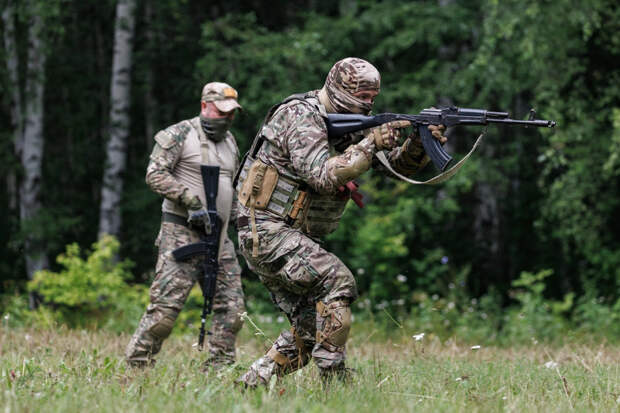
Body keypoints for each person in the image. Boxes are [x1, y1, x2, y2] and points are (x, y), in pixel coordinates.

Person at [234, 57, 447, 387]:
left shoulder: (353, 121)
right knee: (339, 282)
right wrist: (370, 142)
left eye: (372, 98)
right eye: (362, 96)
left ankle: (249, 386)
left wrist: (418, 143)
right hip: (265, 228)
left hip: (290, 233)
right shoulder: (300, 115)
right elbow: (322, 175)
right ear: (340, 88)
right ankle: (334, 381)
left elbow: (394, 168)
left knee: (309, 326)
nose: (368, 104)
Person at [125, 82, 246, 369]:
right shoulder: (179, 133)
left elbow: (235, 187)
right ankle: (137, 367)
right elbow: (154, 175)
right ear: (205, 106)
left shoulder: (230, 142)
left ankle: (220, 369)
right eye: (221, 111)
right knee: (164, 313)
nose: (227, 118)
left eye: (231, 113)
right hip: (181, 233)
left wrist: (243, 225)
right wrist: (190, 200)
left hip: (219, 238)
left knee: (232, 310)